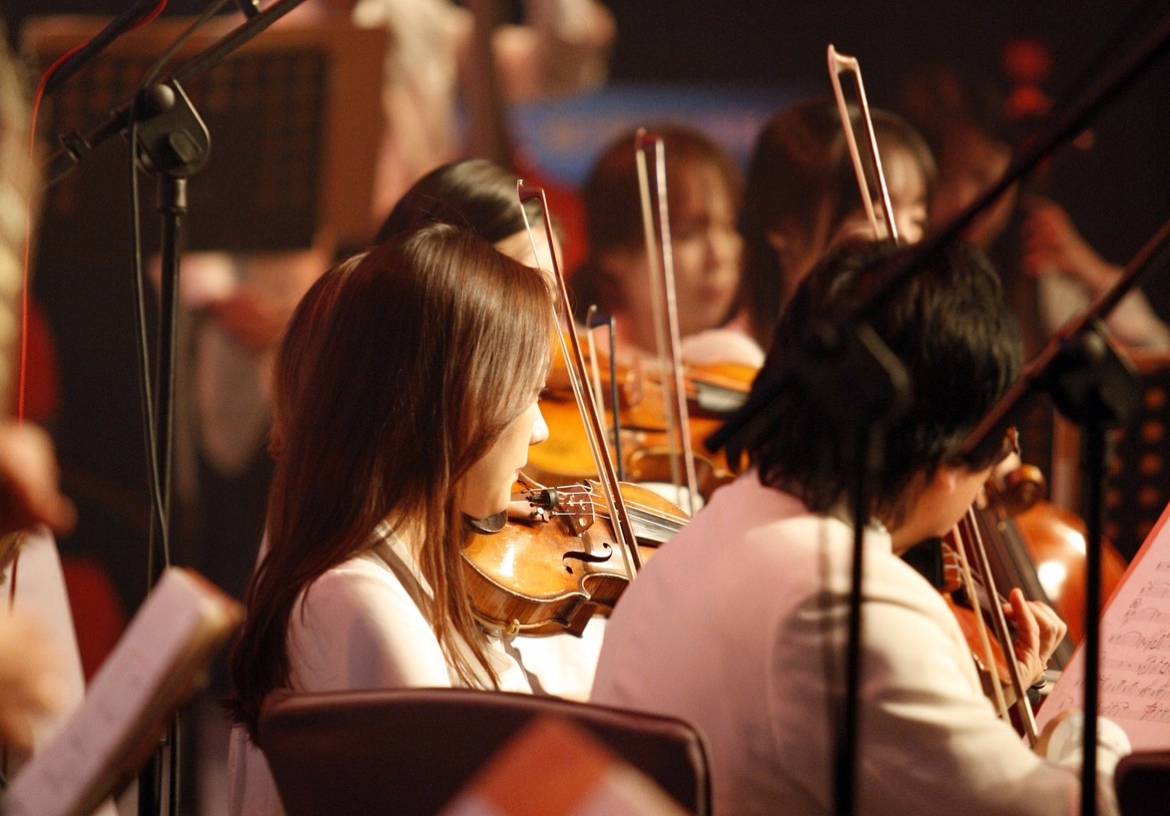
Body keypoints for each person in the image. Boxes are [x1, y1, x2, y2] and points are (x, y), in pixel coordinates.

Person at [590, 239, 1131, 816]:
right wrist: (1088, 736)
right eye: (1002, 439)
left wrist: (976, 710)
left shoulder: (713, 529)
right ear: (948, 458)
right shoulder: (845, 602)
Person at [226, 223, 556, 816]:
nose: (541, 430)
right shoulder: (360, 602)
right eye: (529, 394)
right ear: (464, 398)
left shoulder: (381, 577)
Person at [737, 98, 935, 352]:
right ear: (783, 227)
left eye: (917, 220)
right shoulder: (733, 358)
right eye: (874, 216)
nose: (903, 239)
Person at [570, 124, 758, 367]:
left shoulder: (758, 360)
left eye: (731, 227)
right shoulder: (585, 367)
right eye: (686, 235)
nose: (719, 256)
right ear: (613, 251)